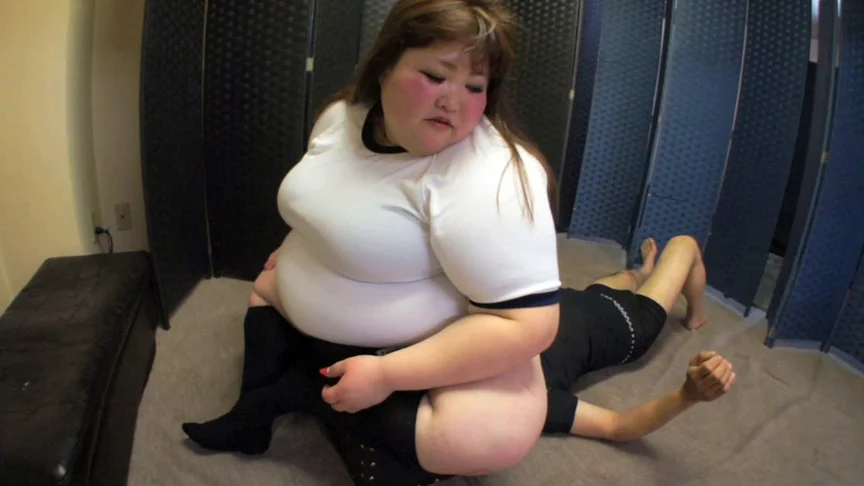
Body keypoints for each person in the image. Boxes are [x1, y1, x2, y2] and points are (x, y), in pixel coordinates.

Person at [183, 0, 562, 478]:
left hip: (408, 346)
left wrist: (388, 374)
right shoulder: (341, 116)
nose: (454, 101)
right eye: (436, 76)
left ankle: (301, 393)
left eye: (475, 86)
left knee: (479, 436)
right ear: (385, 65)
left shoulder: (493, 175)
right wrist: (301, 247)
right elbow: (330, 197)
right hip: (293, 299)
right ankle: (251, 418)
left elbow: (529, 325)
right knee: (264, 289)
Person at [541, 235, 737, 439]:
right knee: (684, 244)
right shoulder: (536, 399)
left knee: (627, 277)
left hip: (588, 296)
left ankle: (644, 272)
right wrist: (686, 395)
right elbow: (615, 426)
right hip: (627, 321)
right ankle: (695, 317)